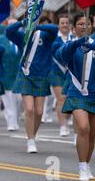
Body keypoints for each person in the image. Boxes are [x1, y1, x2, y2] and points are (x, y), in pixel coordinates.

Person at [57, 13, 95, 181]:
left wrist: (91, 43)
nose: (83, 27)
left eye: (86, 24)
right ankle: (81, 166)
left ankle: (87, 165)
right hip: (76, 92)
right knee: (83, 128)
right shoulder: (70, 45)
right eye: (80, 24)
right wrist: (78, 42)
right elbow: (62, 54)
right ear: (74, 28)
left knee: (92, 134)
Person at [7, 16, 58, 153]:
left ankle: (32, 136)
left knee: (39, 112)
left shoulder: (46, 36)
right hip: (26, 74)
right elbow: (9, 32)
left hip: (41, 76)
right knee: (29, 109)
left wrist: (37, 26)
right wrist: (23, 22)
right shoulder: (23, 35)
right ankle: (30, 141)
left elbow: (55, 29)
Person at [0, 18, 22, 132]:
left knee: (19, 100)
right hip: (5, 74)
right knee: (8, 100)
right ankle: (11, 122)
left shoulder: (21, 39)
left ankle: (16, 119)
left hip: (18, 74)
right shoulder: (0, 39)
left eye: (15, 25)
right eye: (10, 24)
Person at [50, 14, 73, 137]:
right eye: (62, 23)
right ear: (58, 25)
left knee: (69, 100)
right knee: (61, 98)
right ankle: (63, 125)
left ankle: (67, 118)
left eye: (66, 23)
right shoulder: (54, 39)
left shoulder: (73, 38)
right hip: (57, 72)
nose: (64, 25)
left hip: (71, 73)